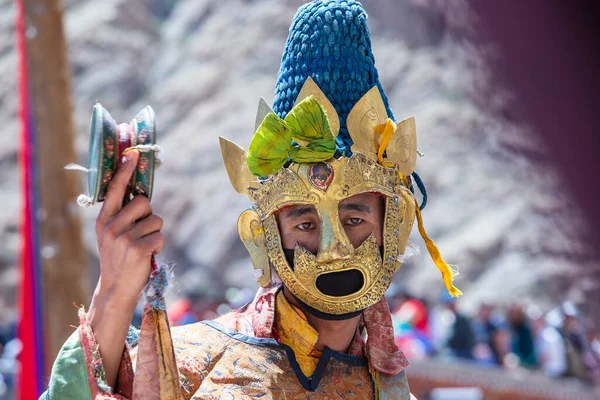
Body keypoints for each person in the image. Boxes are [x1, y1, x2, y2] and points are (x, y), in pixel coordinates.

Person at [42, 1, 461, 398]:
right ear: (261, 236)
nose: (333, 250)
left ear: (397, 223)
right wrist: (115, 291)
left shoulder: (389, 392)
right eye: (305, 224)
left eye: (354, 220)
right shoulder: (191, 371)